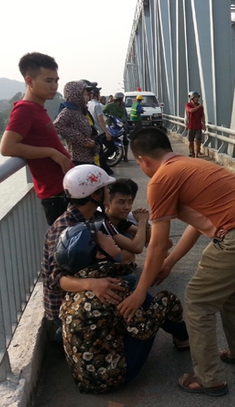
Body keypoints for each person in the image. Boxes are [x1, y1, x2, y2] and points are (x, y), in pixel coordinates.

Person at [117, 127, 235, 397]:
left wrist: (139, 292)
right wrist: (170, 263)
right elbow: (195, 225)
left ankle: (209, 379)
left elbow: (157, 243)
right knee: (231, 291)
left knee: (197, 301)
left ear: (142, 161)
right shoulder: (191, 164)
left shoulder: (161, 180)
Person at [55, 220, 189, 394]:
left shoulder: (83, 281)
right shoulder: (110, 287)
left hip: (86, 378)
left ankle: (183, 338)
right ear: (99, 255)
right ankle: (184, 337)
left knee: (138, 298)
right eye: (102, 235)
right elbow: (144, 330)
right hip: (112, 378)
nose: (109, 235)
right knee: (154, 300)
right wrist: (167, 301)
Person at [41, 164, 126, 343]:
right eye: (106, 188)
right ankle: (62, 335)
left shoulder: (91, 217)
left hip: (81, 295)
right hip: (65, 310)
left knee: (126, 279)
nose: (109, 191)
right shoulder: (65, 229)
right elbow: (54, 279)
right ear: (95, 195)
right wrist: (92, 284)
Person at [0, 52, 74, 225]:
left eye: (56, 80)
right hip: (56, 196)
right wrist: (50, 152)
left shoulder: (37, 109)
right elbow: (7, 147)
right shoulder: (24, 110)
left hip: (65, 190)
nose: (54, 86)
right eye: (48, 81)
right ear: (29, 81)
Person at [103, 178, 150, 262]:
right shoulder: (104, 222)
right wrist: (142, 221)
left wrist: (146, 224)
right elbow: (137, 248)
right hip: (92, 263)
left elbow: (145, 234)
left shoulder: (118, 218)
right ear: (107, 204)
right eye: (121, 202)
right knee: (127, 256)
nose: (127, 207)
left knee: (130, 235)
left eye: (130, 202)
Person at [54, 80, 99, 165]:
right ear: (76, 95)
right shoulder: (68, 111)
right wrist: (82, 139)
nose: (87, 98)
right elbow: (57, 126)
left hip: (87, 157)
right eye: (85, 95)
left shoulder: (79, 111)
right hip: (78, 160)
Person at [87, 86, 114, 174]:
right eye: (99, 94)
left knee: (100, 151)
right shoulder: (97, 105)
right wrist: (107, 132)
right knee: (112, 148)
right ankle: (104, 168)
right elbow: (101, 120)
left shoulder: (88, 104)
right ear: (96, 95)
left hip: (92, 131)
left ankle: (104, 167)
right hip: (100, 131)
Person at [103, 92, 130, 161]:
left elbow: (124, 116)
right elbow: (102, 111)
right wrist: (107, 116)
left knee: (125, 140)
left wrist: (123, 122)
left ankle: (125, 155)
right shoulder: (109, 106)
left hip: (119, 126)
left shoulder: (122, 108)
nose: (122, 101)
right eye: (121, 99)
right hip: (110, 125)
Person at [185, 91, 205, 157]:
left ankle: (197, 153)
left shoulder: (200, 107)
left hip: (198, 126)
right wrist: (199, 106)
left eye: (197, 97)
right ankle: (192, 152)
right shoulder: (188, 105)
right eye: (195, 97)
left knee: (198, 140)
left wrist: (204, 124)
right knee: (191, 141)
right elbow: (191, 110)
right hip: (190, 126)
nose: (197, 99)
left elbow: (202, 116)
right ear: (192, 98)